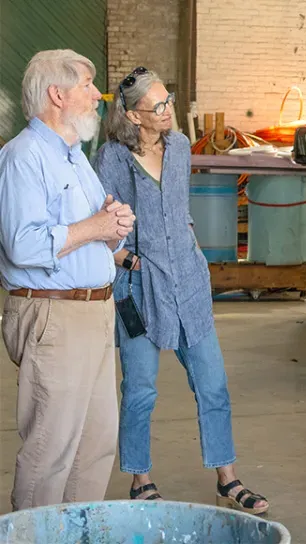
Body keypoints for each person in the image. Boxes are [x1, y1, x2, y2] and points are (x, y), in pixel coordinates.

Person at [93, 67, 269, 515]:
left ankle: (227, 479)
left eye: (168, 99)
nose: (169, 110)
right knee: (140, 390)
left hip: (187, 280)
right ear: (134, 117)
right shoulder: (111, 158)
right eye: (160, 106)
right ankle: (140, 479)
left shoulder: (179, 146)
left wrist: (193, 252)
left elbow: (179, 209)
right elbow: (102, 223)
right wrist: (125, 260)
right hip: (139, 286)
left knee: (213, 384)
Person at [0, 49, 134, 510]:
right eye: (86, 86)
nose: (97, 95)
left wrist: (112, 222)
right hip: (53, 314)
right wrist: (94, 228)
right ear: (57, 94)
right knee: (51, 450)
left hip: (93, 312)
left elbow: (89, 231)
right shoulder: (23, 157)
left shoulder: (75, 157)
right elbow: (22, 244)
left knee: (95, 445)